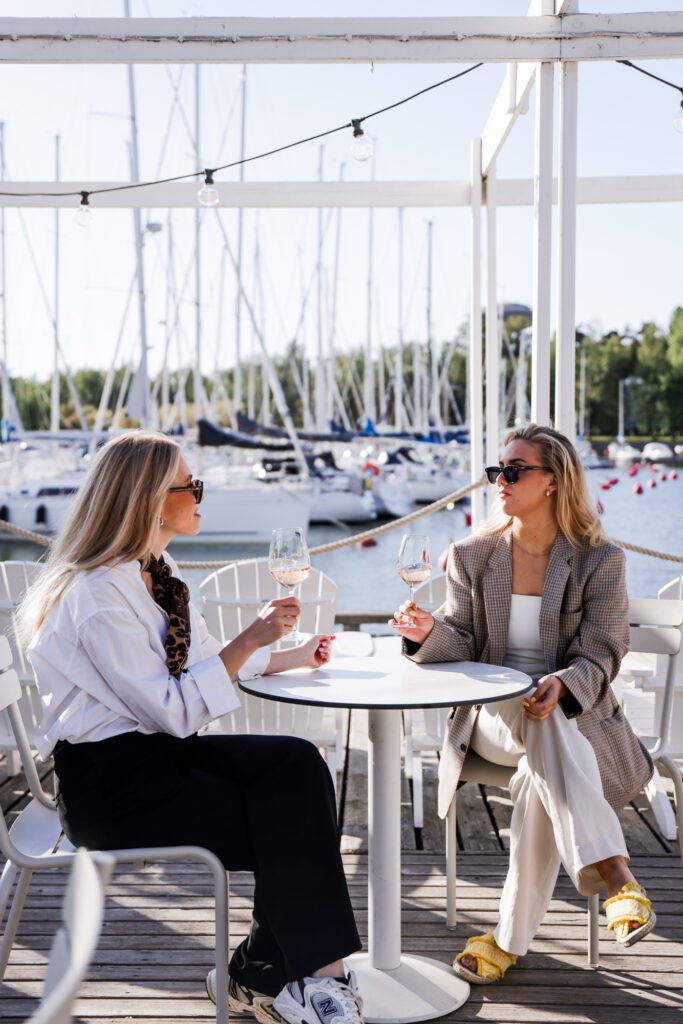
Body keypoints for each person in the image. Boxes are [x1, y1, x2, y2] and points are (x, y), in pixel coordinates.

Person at [20, 431, 364, 1024]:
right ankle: (303, 981)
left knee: (297, 763)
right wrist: (250, 638)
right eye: (191, 485)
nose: (201, 495)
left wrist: (287, 655)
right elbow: (175, 709)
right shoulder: (100, 596)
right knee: (288, 819)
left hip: (160, 758)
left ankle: (276, 977)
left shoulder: (156, 570)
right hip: (113, 791)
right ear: (152, 499)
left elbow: (204, 656)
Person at [390, 423, 655, 985]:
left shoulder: (598, 559)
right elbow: (460, 640)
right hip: (490, 720)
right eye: (497, 471)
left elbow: (604, 651)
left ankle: (506, 940)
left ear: (553, 481)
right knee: (523, 701)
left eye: (514, 471)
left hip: (572, 721)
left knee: (541, 764)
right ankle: (614, 871)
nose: (500, 481)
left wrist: (562, 683)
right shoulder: (472, 555)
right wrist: (425, 631)